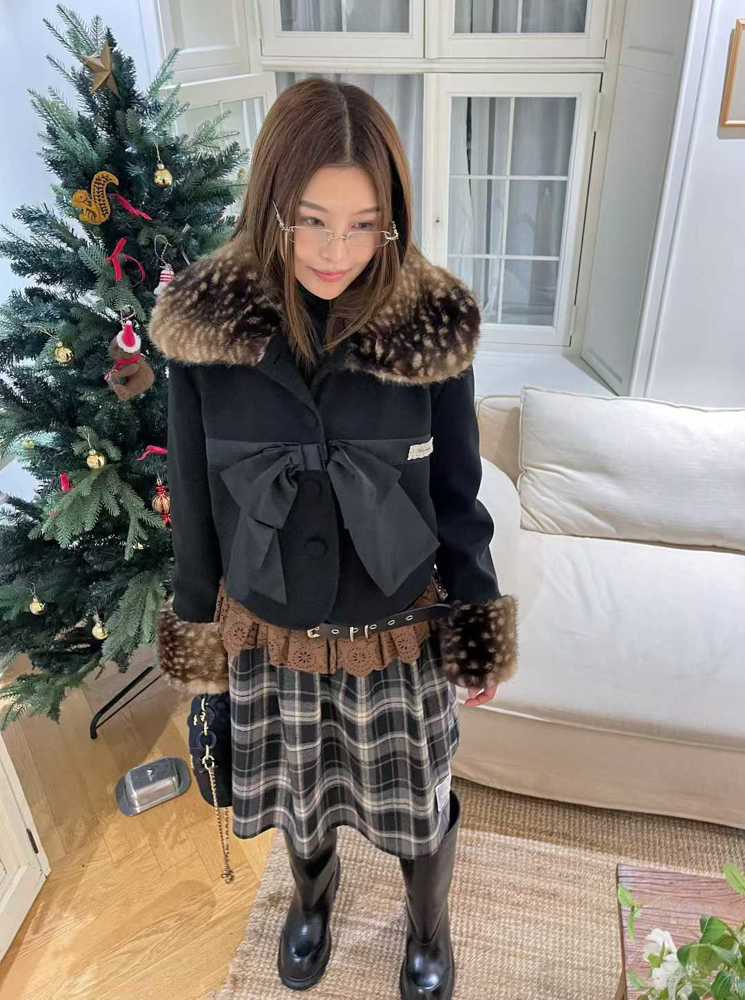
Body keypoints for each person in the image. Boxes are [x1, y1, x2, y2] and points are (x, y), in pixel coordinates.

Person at [148, 77, 518, 999]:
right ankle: (311, 902)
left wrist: (475, 623)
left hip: (396, 626)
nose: (336, 252)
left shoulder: (429, 325)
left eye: (364, 226)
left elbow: (457, 491)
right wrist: (198, 639)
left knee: (418, 805)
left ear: (392, 222)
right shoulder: (206, 329)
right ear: (270, 204)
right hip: (270, 627)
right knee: (298, 799)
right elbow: (194, 499)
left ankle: (427, 928)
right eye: (311, 222)